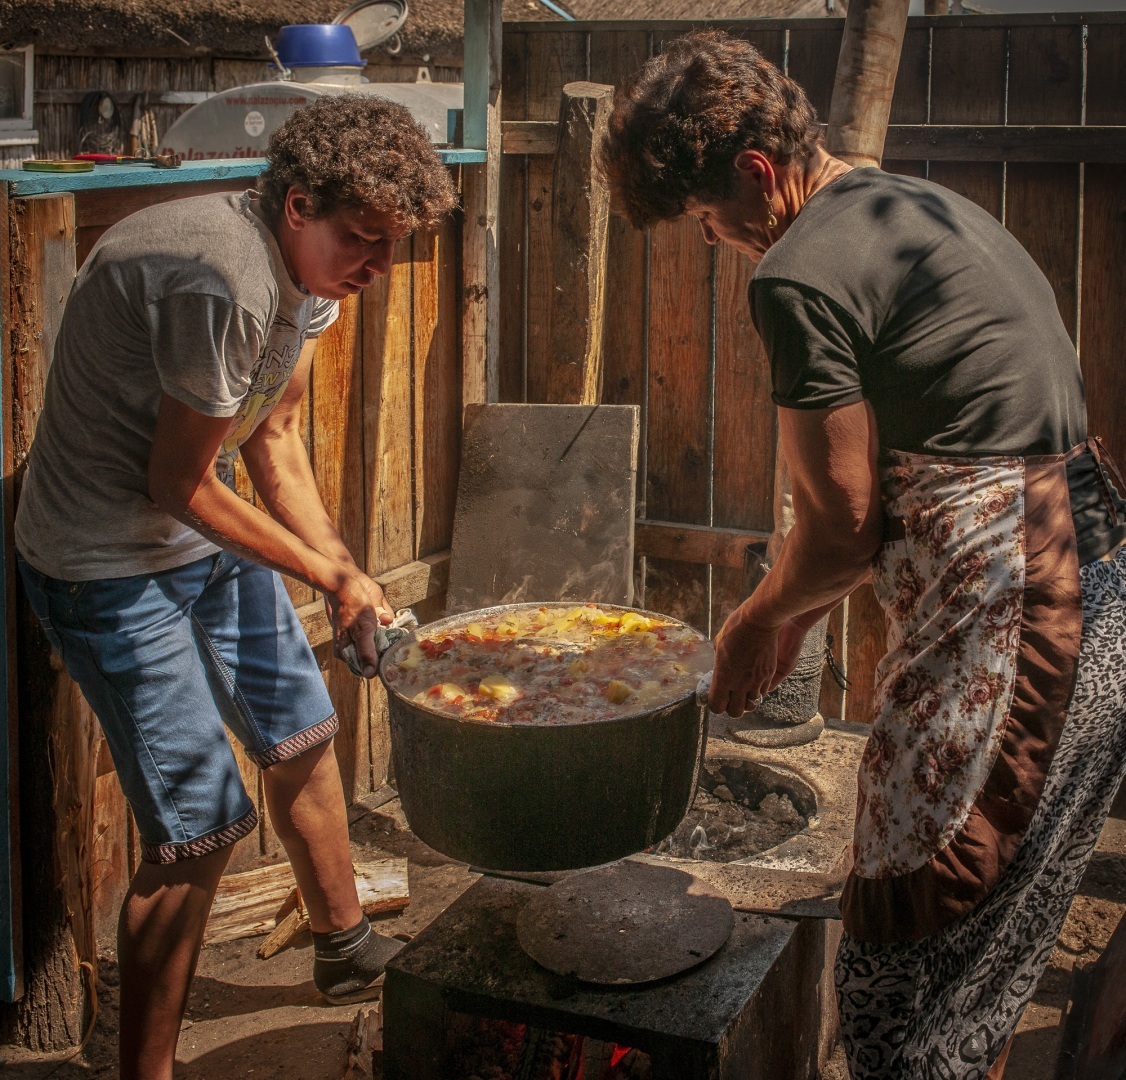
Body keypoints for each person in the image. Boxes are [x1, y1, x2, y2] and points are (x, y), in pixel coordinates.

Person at [599, 29, 1126, 1080]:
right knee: (982, 970)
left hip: (1019, 646)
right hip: (1099, 607)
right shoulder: (925, 208)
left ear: (756, 173)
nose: (713, 240)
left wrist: (754, 621)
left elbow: (842, 525)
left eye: (708, 218)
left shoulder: (797, 269)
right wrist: (791, 605)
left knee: (901, 983)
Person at [13, 95, 456, 1079]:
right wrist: (330, 574)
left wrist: (345, 570)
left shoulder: (309, 279)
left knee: (300, 725)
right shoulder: (225, 278)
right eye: (363, 242)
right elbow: (173, 483)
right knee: (201, 826)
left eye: (394, 246)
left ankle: (343, 945)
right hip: (104, 558)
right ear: (297, 204)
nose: (379, 271)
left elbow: (274, 437)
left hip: (194, 527)